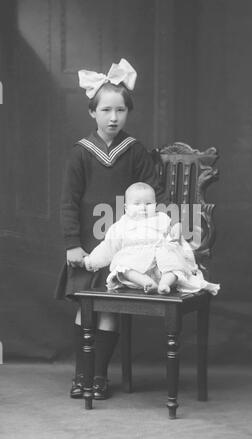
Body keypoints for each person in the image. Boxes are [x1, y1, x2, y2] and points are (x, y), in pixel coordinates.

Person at [55, 59, 167, 400]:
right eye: (106, 110)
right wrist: (73, 244)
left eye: (120, 110)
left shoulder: (133, 151)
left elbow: (156, 192)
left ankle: (99, 376)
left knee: (110, 307)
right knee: (87, 307)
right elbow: (68, 202)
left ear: (127, 113)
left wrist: (151, 230)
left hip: (124, 245)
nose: (113, 117)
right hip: (89, 243)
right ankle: (81, 376)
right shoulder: (81, 153)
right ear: (93, 112)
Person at [83, 182, 220, 297]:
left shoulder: (163, 219)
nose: (143, 207)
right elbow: (108, 247)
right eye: (136, 204)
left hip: (160, 265)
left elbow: (177, 242)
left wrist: (176, 234)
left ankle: (165, 283)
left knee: (174, 262)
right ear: (126, 208)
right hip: (136, 267)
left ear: (155, 204)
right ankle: (146, 282)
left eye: (148, 203)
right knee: (121, 267)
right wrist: (91, 261)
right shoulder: (121, 225)